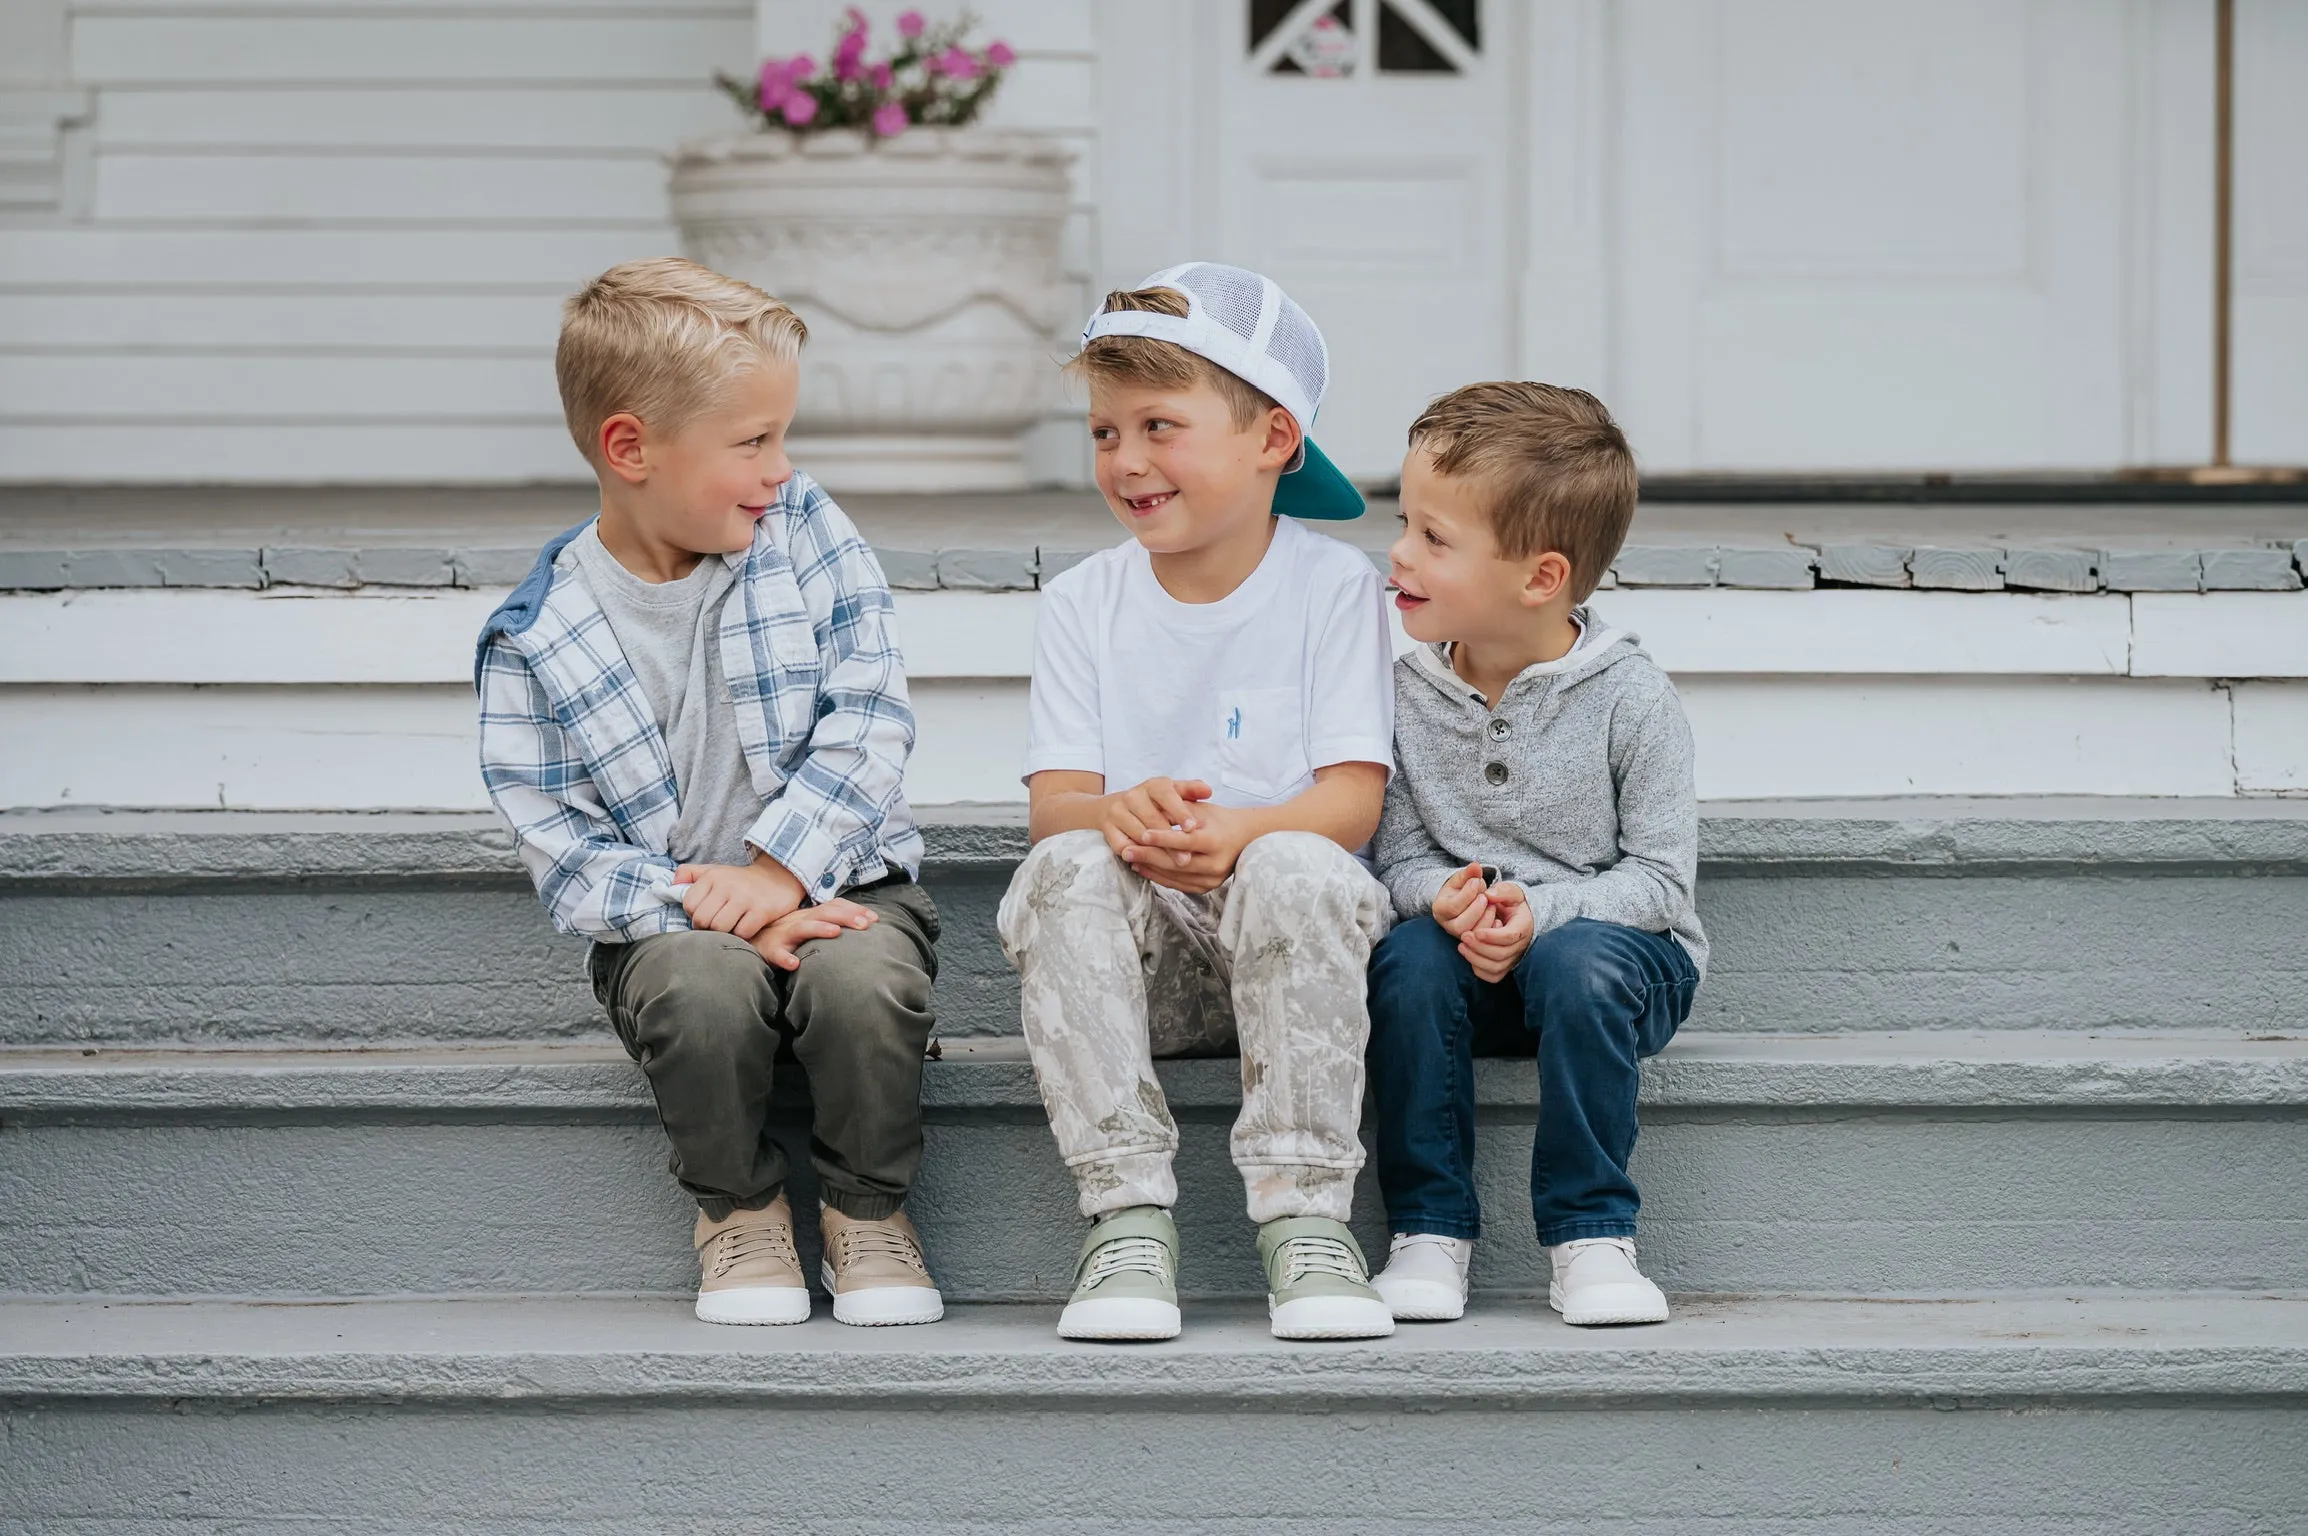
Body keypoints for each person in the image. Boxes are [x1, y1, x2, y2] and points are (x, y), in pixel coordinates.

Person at [475, 258, 943, 1328]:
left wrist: (780, 874)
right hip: (677, 921)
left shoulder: (806, 531)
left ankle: (868, 1213)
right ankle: (738, 1212)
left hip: (844, 881)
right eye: (752, 443)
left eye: (782, 437)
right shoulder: (537, 640)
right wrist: (717, 908)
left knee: (863, 983)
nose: (780, 468)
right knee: (699, 992)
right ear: (630, 448)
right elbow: (569, 850)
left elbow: (869, 714)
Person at [996, 263, 1398, 1343]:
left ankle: (1306, 1220)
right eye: (1103, 432)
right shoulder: (1085, 601)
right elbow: (1054, 809)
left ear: (1272, 439)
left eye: (1159, 426)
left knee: (1296, 863)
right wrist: (1115, 812)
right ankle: (1125, 1216)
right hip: (1153, 969)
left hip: (1302, 958)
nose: (1126, 461)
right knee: (1062, 869)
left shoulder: (1333, 588)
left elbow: (1353, 801)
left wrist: (1238, 833)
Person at [1365, 381, 1706, 1327]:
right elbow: (1394, 858)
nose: (1399, 552)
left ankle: (1592, 1235)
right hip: (1463, 958)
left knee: (1580, 960)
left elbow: (1662, 883)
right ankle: (1429, 1232)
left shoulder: (1632, 700)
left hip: (1613, 963)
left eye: (1435, 539)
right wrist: (1447, 901)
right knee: (1405, 961)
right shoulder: (1397, 694)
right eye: (1407, 523)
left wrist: (1539, 912)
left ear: (1540, 578)